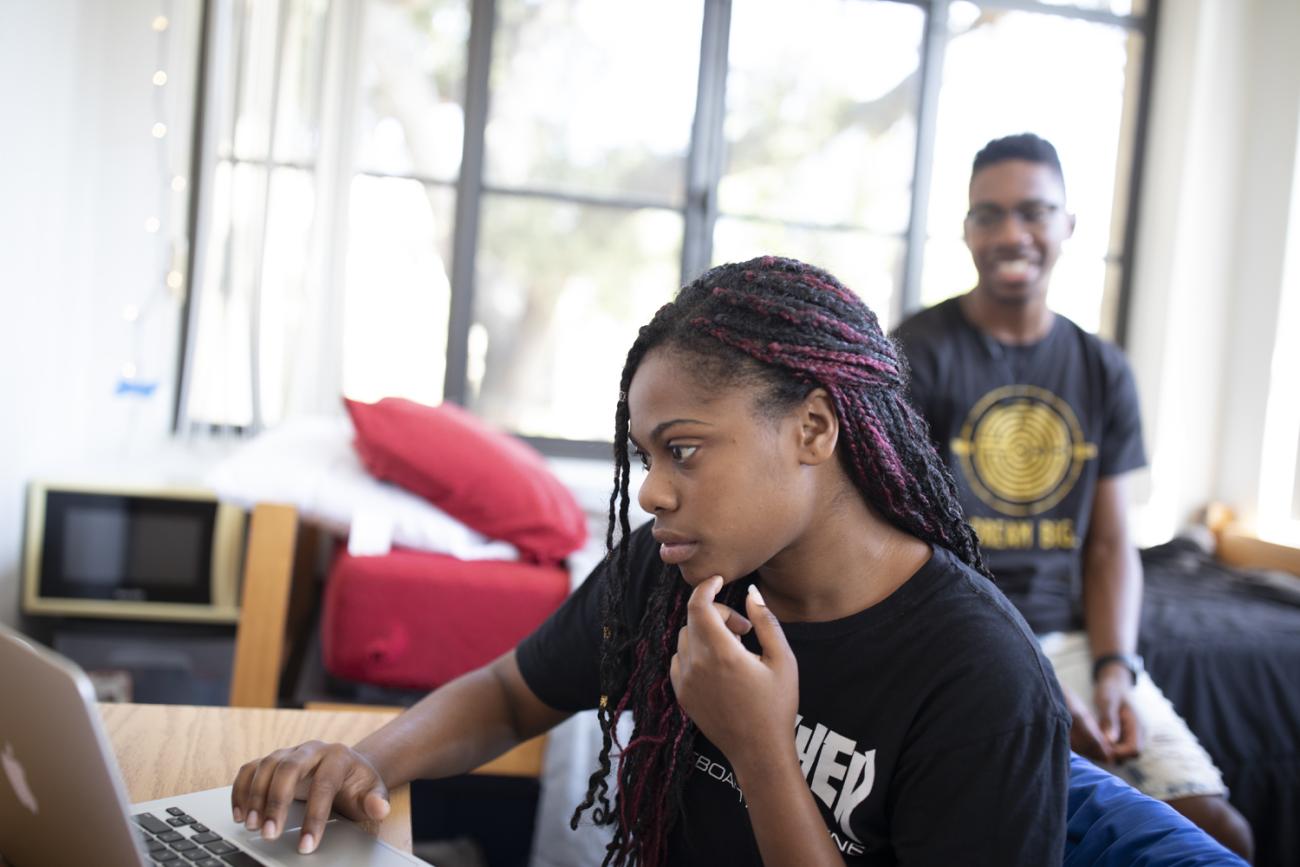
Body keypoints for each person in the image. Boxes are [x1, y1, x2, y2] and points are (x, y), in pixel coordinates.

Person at [229, 256, 1070, 865]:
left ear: (814, 428)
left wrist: (762, 752)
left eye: (686, 450)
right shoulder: (676, 570)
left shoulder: (982, 682)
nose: (655, 492)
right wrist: (370, 758)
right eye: (647, 457)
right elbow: (508, 694)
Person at [892, 133, 1254, 861]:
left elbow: (1112, 542)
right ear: (966, 232)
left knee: (1222, 832)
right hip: (959, 637)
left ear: (1067, 226)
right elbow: (899, 542)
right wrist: (1034, 689)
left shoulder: (1101, 368)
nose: (1011, 233)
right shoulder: (916, 352)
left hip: (1074, 642)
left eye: (1034, 211)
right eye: (987, 215)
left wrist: (1115, 665)